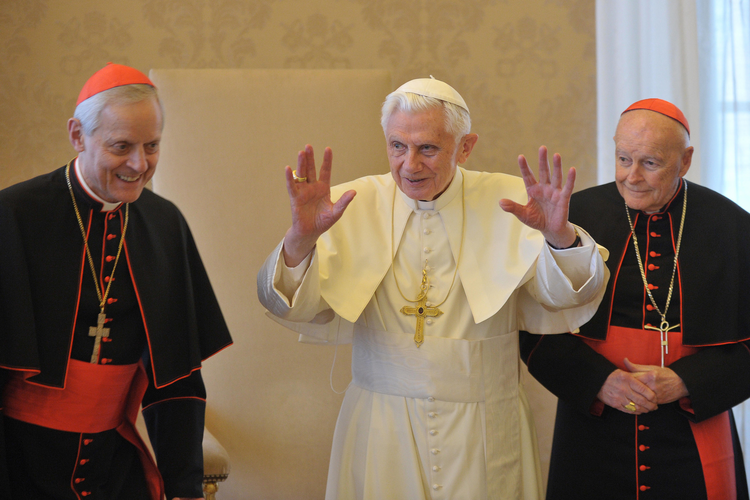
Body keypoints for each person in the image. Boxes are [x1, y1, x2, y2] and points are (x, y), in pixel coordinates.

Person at [257, 77, 608, 499]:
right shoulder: (351, 204)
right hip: (382, 424)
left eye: (427, 148)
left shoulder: (512, 202)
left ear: (465, 147)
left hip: (486, 427)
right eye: (397, 146)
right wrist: (300, 239)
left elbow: (567, 296)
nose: (409, 165)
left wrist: (559, 238)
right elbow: (291, 306)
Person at [0, 63, 233, 500]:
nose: (139, 164)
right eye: (121, 146)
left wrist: (183, 489)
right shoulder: (13, 217)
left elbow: (177, 383)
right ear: (77, 135)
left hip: (115, 468)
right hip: (20, 466)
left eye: (152, 145)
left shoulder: (165, 225)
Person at [520, 98, 750, 499]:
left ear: (686, 160)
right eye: (623, 158)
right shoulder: (573, 218)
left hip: (692, 431)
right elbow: (534, 329)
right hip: (594, 428)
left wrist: (684, 381)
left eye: (650, 163)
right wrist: (601, 382)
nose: (632, 177)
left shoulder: (731, 225)